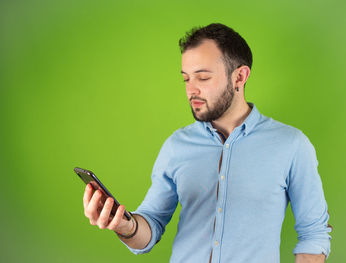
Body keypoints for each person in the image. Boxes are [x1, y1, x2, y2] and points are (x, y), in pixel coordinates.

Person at [82, 23, 332, 263]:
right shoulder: (177, 145)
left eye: (202, 77)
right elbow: (151, 225)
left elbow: (314, 233)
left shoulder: (291, 144)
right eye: (186, 79)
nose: (191, 90)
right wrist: (126, 225)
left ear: (240, 77)